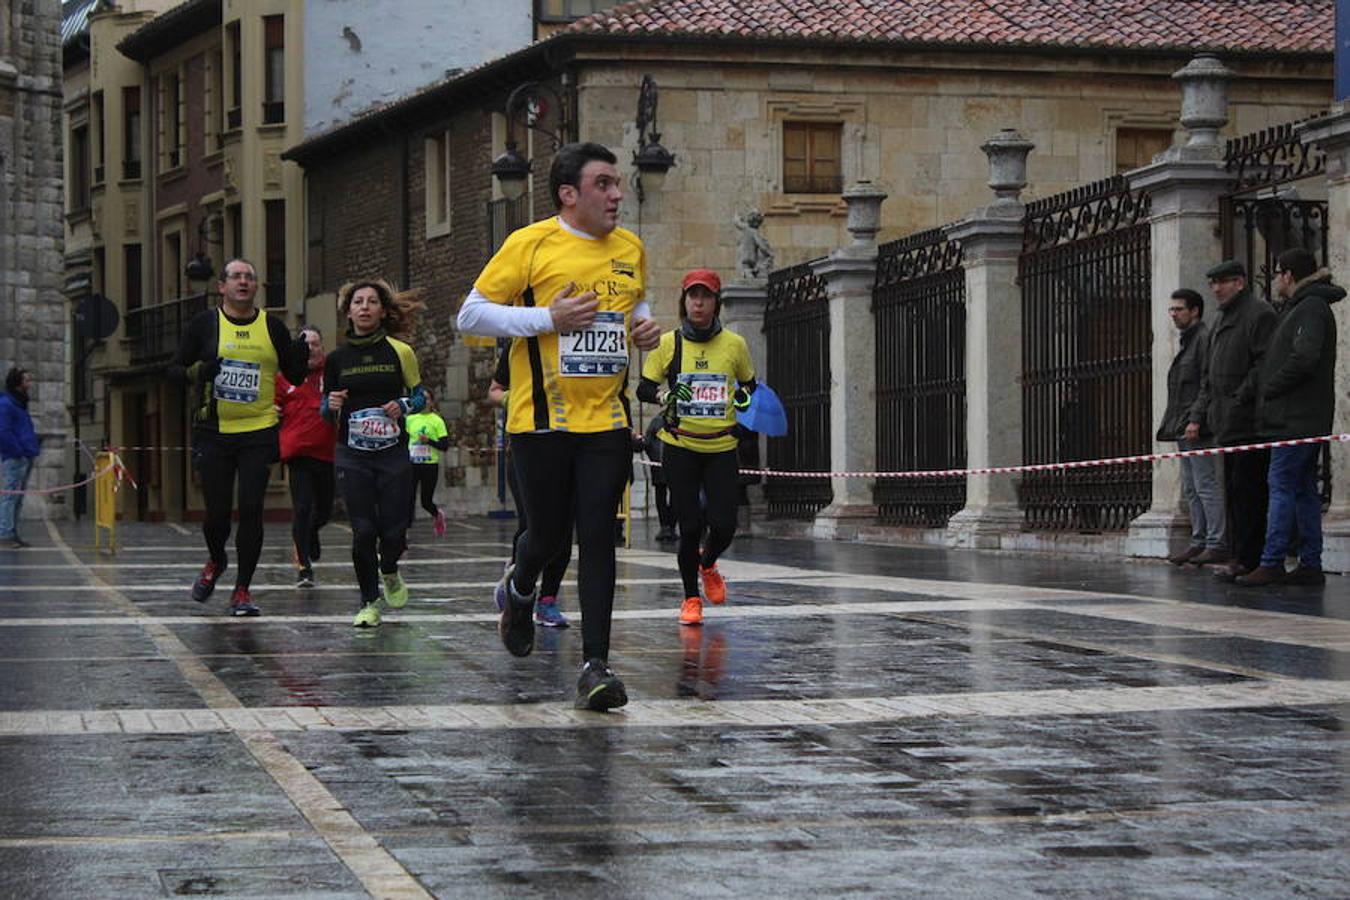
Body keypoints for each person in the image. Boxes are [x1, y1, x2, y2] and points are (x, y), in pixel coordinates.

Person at [457, 141, 660, 710]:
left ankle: (596, 665)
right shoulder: (531, 243)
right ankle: (520, 590)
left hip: (607, 422)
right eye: (603, 184)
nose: (617, 194)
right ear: (569, 194)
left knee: (598, 535)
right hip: (540, 422)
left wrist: (645, 330)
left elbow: (634, 308)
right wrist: (549, 317)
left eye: (617, 183)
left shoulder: (630, 248)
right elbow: (470, 313)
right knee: (546, 538)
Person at [170, 259, 308, 615]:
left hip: (259, 431)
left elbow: (293, 375)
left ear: (256, 287)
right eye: (236, 277)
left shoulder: (272, 327)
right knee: (216, 513)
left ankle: (243, 590)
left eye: (249, 277)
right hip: (213, 432)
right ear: (223, 286)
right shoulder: (204, 325)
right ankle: (216, 561)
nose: (243, 282)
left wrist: (301, 354)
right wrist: (201, 370)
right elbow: (174, 371)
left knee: (251, 509)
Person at [637, 268, 757, 626]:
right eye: (693, 296)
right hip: (681, 446)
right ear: (684, 302)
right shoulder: (668, 344)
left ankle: (708, 563)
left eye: (705, 296)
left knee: (724, 524)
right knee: (688, 527)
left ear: (716, 302)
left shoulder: (734, 345)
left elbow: (750, 388)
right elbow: (644, 388)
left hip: (720, 446)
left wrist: (741, 397)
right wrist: (665, 395)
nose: (698, 303)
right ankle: (691, 598)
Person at [1236, 248, 1342, 587]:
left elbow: (1304, 357)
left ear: (1289, 275)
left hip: (1295, 417)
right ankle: (1310, 562)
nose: (1277, 279)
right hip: (1300, 416)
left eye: (1279, 272)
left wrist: (1270, 386)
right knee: (1303, 490)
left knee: (1280, 486)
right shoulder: (1301, 307)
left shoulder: (1310, 307)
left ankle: (1272, 561)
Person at [323, 279, 425, 628]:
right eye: (357, 302)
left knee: (394, 531)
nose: (364, 307)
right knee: (363, 530)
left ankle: (390, 569)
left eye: (371, 302)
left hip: (392, 453)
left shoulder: (400, 351)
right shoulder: (336, 359)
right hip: (352, 453)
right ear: (348, 311)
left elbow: (420, 397)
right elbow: (326, 410)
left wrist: (404, 404)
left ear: (383, 310)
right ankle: (368, 602)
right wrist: (330, 403)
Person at [1187, 260, 1277, 584]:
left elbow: (1263, 364)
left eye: (1223, 282)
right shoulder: (1221, 318)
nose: (1216, 289)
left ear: (1240, 283)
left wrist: (1240, 397)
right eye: (1213, 283)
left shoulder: (1259, 314)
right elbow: (1209, 376)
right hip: (1226, 421)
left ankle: (1251, 557)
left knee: (1250, 491)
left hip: (1250, 420)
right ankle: (1240, 555)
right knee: (1234, 490)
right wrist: (1202, 413)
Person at [487, 352, 571, 628]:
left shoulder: (580, 341)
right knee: (533, 524)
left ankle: (547, 600)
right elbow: (495, 391)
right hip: (527, 448)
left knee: (563, 529)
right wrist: (515, 399)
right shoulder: (519, 339)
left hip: (572, 444)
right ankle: (519, 579)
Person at [1158, 289, 1226, 567]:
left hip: (1196, 426)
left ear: (1195, 311)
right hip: (1183, 424)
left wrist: (1196, 419)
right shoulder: (1189, 341)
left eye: (1179, 309)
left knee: (1205, 484)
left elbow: (1206, 383)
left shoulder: (1202, 339)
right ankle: (1199, 541)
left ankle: (1216, 542)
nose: (1174, 314)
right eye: (1171, 310)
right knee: (1191, 487)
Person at [277, 325, 336, 588]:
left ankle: (312, 532)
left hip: (328, 453)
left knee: (324, 511)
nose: (311, 348)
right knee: (302, 508)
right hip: (298, 453)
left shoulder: (332, 374)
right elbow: (272, 408)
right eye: (305, 344)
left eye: (315, 343)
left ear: (322, 347)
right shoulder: (285, 378)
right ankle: (304, 568)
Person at [0, 367, 39, 548]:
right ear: (18, 383)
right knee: (10, 496)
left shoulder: (19, 403)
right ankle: (5, 534)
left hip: (25, 454)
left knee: (18, 497)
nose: (30, 384)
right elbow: (4, 431)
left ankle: (12, 532)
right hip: (16, 456)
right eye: (26, 381)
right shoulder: (7, 403)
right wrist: (18, 450)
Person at [405, 389, 450, 538]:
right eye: (421, 399)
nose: (425, 402)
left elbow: (444, 445)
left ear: (431, 402)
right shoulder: (410, 419)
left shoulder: (437, 420)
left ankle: (437, 515)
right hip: (412, 464)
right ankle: (405, 532)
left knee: (426, 501)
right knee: (408, 497)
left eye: (427, 399)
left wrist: (428, 441)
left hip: (430, 464)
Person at [642, 412, 677, 542]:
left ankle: (666, 526)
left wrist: (652, 456)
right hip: (668, 464)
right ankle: (669, 526)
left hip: (659, 464)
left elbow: (647, 442)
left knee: (662, 496)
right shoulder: (674, 420)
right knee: (672, 496)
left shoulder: (656, 421)